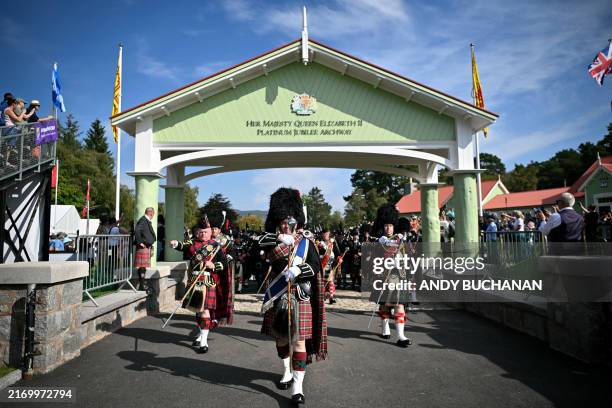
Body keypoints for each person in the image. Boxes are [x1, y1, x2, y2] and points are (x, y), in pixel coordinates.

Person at [259, 188, 327, 405]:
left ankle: (297, 387)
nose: (286, 224)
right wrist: (279, 238)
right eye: (281, 220)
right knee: (280, 338)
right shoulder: (271, 238)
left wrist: (298, 270)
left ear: (297, 219)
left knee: (298, 343)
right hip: (278, 295)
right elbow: (258, 245)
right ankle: (286, 370)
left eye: (289, 220)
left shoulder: (306, 241)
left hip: (299, 295)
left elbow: (316, 266)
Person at [170, 222, 229, 353]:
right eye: (201, 232)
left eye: (206, 231)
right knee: (197, 310)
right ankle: (201, 334)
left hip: (208, 281)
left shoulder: (216, 246)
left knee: (204, 311)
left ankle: (203, 342)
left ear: (210, 232)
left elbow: (224, 263)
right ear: (198, 232)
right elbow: (182, 246)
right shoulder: (192, 243)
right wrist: (175, 244)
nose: (203, 234)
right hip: (194, 280)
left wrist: (213, 265)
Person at [369, 203, 412, 348]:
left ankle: (401, 335)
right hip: (383, 277)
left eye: (390, 226)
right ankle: (385, 328)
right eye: (386, 226)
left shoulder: (400, 239)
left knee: (400, 306)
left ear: (394, 226)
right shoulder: (379, 241)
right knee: (385, 306)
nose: (388, 229)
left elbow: (407, 256)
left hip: (398, 277)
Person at [134, 207, 156, 291]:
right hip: (143, 247)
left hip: (146, 246)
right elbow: (137, 230)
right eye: (153, 214)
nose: (153, 216)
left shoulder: (145, 220)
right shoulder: (143, 220)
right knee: (142, 266)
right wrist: (140, 242)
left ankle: (143, 284)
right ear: (151, 213)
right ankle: (142, 285)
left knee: (144, 266)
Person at [317, 228, 341, 304]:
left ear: (329, 233)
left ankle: (331, 297)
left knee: (330, 282)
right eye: (324, 234)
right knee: (322, 283)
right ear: (322, 235)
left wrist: (339, 258)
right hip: (321, 266)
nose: (325, 235)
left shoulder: (332, 242)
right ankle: (321, 296)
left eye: (326, 234)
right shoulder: (318, 243)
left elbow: (337, 253)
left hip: (330, 265)